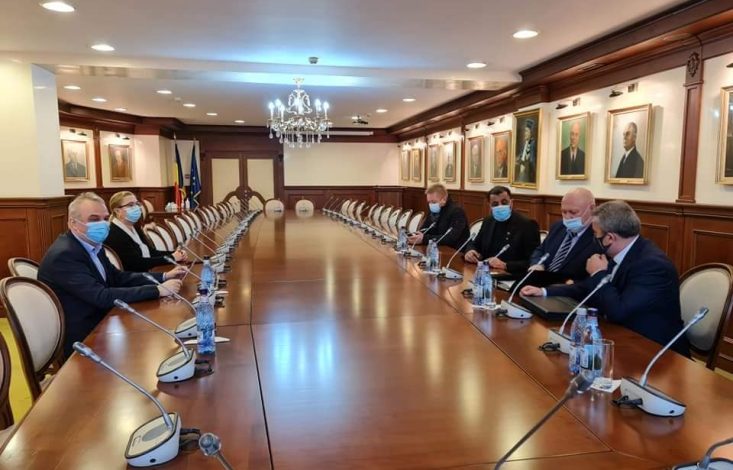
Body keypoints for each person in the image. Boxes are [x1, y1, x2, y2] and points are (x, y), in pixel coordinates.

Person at [521, 200, 689, 356]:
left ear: (610, 238)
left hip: (654, 350)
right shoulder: (619, 251)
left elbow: (618, 311)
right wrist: (544, 291)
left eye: (595, 234)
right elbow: (586, 288)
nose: (594, 239)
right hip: (617, 335)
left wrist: (598, 274)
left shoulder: (652, 265)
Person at [38, 192, 187, 357]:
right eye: (94, 219)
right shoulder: (64, 255)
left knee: (161, 331)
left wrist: (163, 277)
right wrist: (157, 290)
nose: (102, 224)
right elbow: (100, 296)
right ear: (73, 223)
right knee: (151, 346)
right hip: (84, 339)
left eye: (104, 218)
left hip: (106, 321)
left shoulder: (93, 245)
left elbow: (118, 277)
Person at [464, 186, 540, 275]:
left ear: (511, 203)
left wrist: (505, 265)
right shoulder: (488, 220)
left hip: (511, 275)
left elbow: (534, 260)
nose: (500, 206)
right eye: (495, 204)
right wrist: (470, 251)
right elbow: (475, 244)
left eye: (504, 202)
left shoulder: (527, 224)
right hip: (486, 272)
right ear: (490, 206)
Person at [528, 188, 601, 282]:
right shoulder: (558, 226)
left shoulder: (599, 235)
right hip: (542, 280)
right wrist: (537, 264)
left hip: (568, 286)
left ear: (592, 208)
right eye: (564, 212)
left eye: (573, 212)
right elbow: (541, 250)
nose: (567, 217)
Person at [105, 191, 187, 272]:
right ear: (117, 211)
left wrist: (175, 253)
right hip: (135, 277)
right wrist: (172, 258)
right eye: (131, 205)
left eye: (137, 204)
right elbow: (137, 263)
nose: (136, 207)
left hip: (146, 272)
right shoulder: (114, 234)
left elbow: (151, 252)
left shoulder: (135, 227)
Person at [407, 184, 469, 249]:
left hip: (453, 250)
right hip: (436, 247)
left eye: (433, 202)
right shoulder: (434, 210)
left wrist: (424, 239)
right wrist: (416, 236)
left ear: (444, 199)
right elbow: (425, 229)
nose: (431, 205)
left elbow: (451, 238)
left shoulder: (457, 211)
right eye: (429, 202)